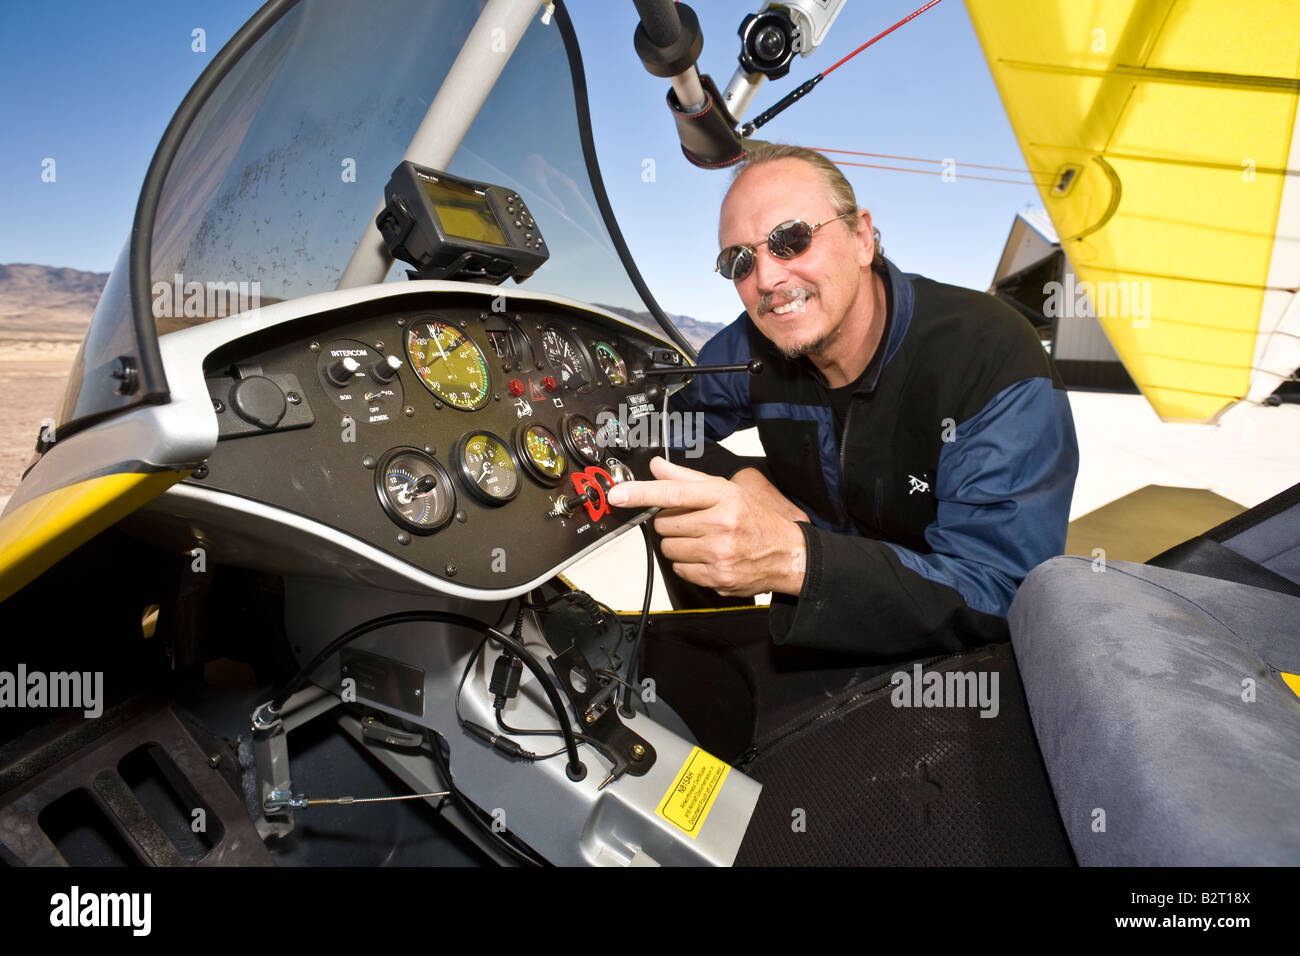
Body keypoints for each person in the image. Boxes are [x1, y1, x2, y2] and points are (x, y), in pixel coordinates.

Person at [606, 142, 1079, 660]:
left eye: (791, 239)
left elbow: (1002, 594)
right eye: (738, 261)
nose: (767, 279)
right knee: (682, 496)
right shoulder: (752, 345)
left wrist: (796, 560)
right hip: (817, 577)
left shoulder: (988, 355)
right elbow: (647, 423)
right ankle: (718, 656)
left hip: (938, 644)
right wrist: (739, 478)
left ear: (861, 237)